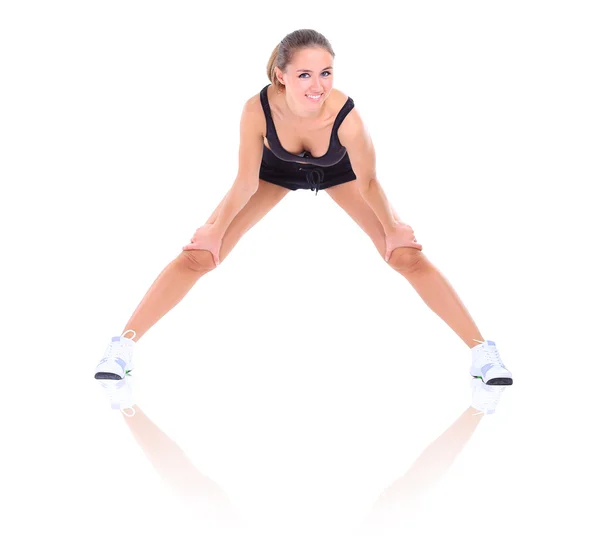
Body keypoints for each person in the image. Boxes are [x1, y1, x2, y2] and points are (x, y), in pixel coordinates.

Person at [94, 29, 513, 386]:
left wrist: (393, 225)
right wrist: (215, 227)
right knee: (202, 254)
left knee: (404, 255)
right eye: (305, 74)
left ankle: (483, 353)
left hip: (339, 173)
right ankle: (122, 347)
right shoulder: (256, 109)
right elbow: (245, 181)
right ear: (281, 75)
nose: (318, 85)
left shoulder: (346, 117)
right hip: (273, 172)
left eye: (326, 73)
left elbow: (367, 180)